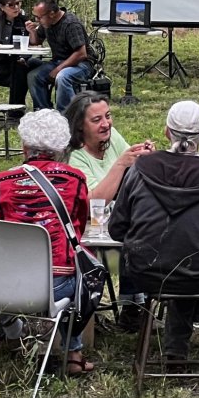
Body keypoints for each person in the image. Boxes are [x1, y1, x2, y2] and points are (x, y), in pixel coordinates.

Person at [109, 101, 199, 363]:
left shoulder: (140, 170)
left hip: (144, 271)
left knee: (180, 260)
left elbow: (117, 227)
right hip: (198, 273)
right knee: (193, 263)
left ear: (167, 132)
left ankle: (177, 346)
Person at [0, 109, 96, 376]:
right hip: (56, 286)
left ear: (25, 146)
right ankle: (73, 352)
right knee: (81, 269)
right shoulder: (75, 180)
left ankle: (3, 338)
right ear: (61, 146)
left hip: (3, 287)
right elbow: (80, 224)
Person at [64, 90, 154, 327]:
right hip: (89, 234)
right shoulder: (75, 157)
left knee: (141, 224)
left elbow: (135, 172)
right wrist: (122, 163)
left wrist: (142, 157)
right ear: (80, 127)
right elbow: (92, 203)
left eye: (108, 116)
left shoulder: (111, 137)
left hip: (118, 223)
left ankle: (134, 304)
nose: (106, 124)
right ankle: (133, 305)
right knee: (133, 230)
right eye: (97, 120)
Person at [26, 0, 92, 111]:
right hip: (58, 61)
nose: (37, 20)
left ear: (51, 13)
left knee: (63, 77)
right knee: (34, 75)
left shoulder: (71, 24)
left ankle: (66, 115)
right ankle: (44, 113)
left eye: (39, 17)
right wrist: (32, 31)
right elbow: (36, 41)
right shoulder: (47, 23)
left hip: (81, 64)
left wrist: (58, 69)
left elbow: (81, 54)